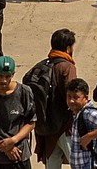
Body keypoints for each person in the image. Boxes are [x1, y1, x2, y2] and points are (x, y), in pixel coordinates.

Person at [30, 29, 78, 169]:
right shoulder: (67, 67)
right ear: (68, 48)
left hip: (46, 127)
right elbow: (72, 98)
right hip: (64, 126)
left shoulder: (42, 66)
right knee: (80, 164)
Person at [0, 56, 36, 169]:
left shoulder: (24, 92)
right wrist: (5, 146)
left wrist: (13, 140)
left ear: (13, 74)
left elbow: (31, 122)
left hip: (19, 156)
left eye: (7, 76)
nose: (3, 80)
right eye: (0, 76)